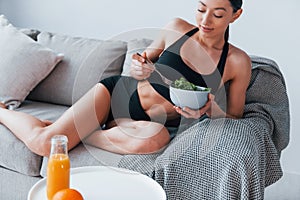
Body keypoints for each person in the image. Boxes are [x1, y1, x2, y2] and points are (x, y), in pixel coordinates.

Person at [0, 0, 251, 157]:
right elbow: (142, 61)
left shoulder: (237, 62)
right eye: (201, 9)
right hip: (117, 95)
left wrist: (209, 109)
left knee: (157, 139)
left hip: (147, 126)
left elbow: (235, 115)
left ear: (235, 15)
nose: (205, 20)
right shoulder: (176, 29)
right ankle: (3, 112)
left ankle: (82, 133)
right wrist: (139, 67)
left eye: (217, 14)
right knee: (47, 145)